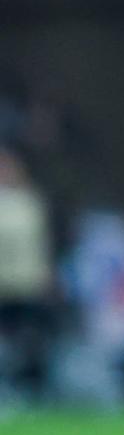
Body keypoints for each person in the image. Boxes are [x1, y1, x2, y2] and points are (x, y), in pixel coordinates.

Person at [0, 148, 54, 408]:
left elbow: (42, 242)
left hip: (28, 282)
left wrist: (46, 273)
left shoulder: (30, 201)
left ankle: (31, 391)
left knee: (31, 341)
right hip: (4, 283)